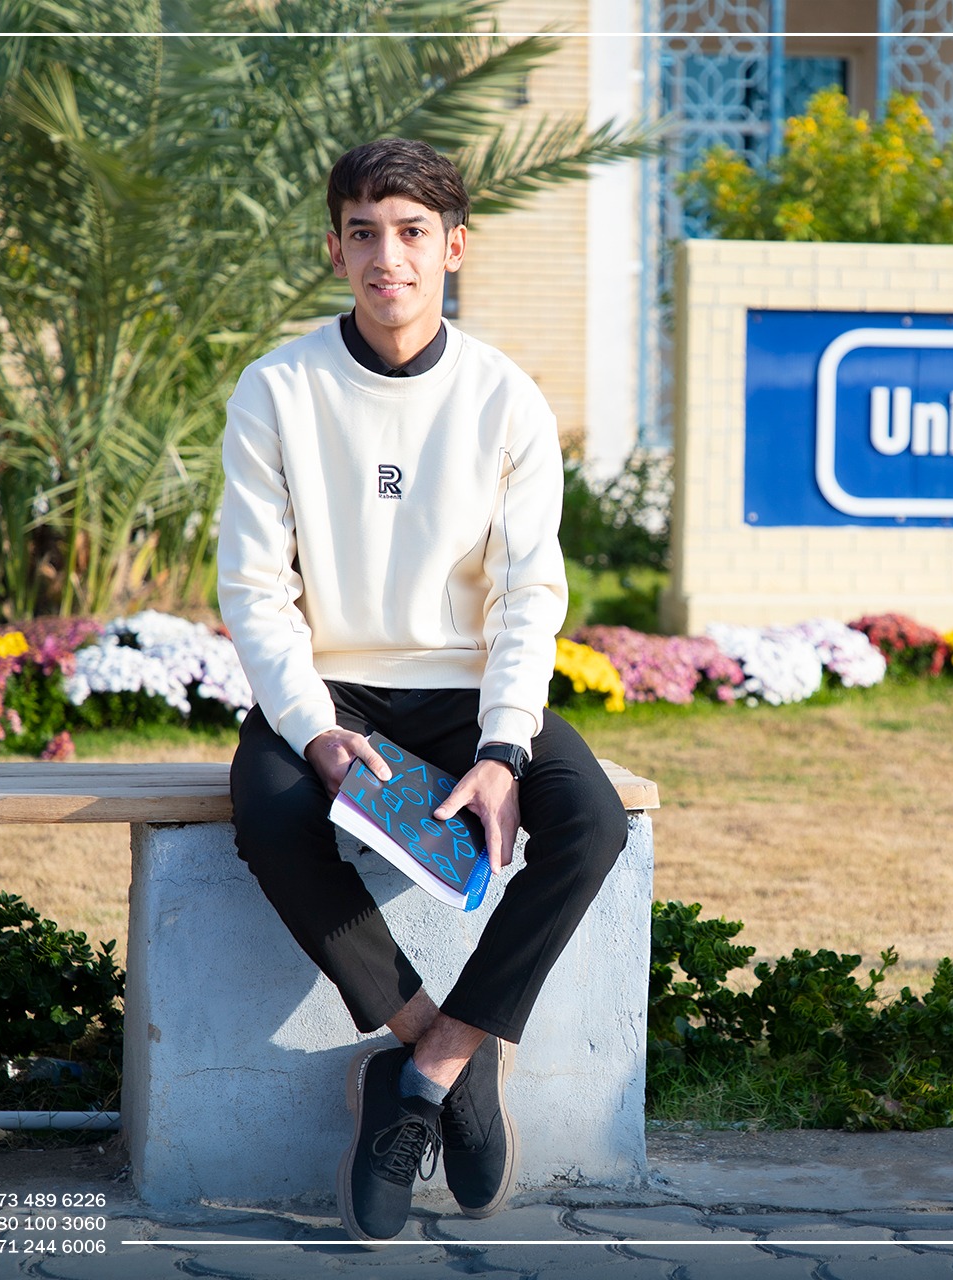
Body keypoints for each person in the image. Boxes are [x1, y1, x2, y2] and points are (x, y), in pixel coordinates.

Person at [217, 137, 628, 1241]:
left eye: (410, 232)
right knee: (269, 812)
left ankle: (430, 1070)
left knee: (591, 819)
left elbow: (529, 595)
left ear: (454, 246)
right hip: (332, 687)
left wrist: (502, 749)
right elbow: (254, 589)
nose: (385, 257)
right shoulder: (278, 388)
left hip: (463, 691)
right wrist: (310, 729)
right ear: (335, 249)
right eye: (363, 233)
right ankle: (429, 1037)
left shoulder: (504, 397)